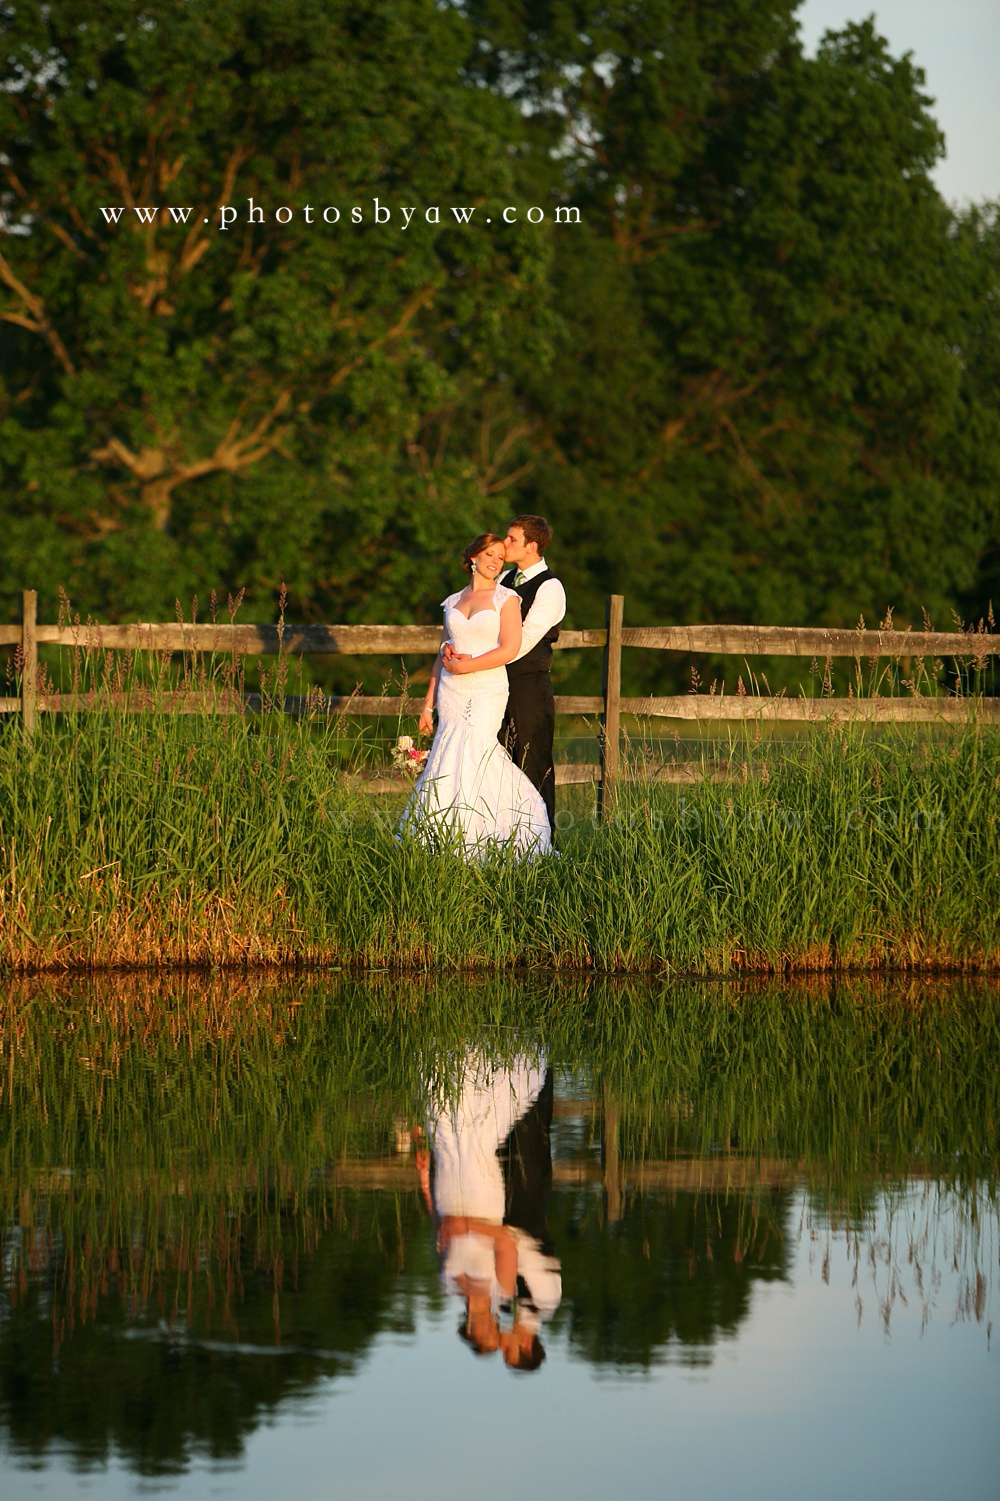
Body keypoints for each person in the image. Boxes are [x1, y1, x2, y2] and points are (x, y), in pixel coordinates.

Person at [397, 533, 551, 857]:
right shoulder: (452, 601)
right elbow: (442, 652)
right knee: (447, 753)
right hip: (451, 691)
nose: (496, 561)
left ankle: (494, 836)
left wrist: (469, 667)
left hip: (486, 688)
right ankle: (440, 839)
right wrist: (428, 704)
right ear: (473, 558)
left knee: (478, 752)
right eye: (490, 554)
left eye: (500, 556)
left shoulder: (506, 599)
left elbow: (509, 649)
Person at [444, 516, 565, 837]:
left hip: (527, 684)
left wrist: (477, 662)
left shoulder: (550, 588)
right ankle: (494, 836)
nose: (504, 545)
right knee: (493, 761)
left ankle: (543, 840)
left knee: (533, 760)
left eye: (512, 540)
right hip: (492, 684)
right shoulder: (505, 578)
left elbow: (522, 640)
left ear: (532, 546)